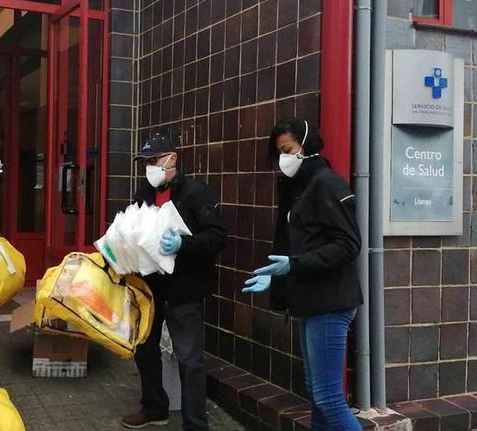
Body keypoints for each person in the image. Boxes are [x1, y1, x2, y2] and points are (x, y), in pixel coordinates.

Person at [242, 119, 362, 431]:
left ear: (306, 146)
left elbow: (349, 244)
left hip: (330, 302)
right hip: (311, 301)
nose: (283, 158)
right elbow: (303, 246)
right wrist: (282, 276)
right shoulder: (301, 188)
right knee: (318, 395)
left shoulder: (326, 183)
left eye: (288, 150)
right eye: (279, 152)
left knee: (329, 399)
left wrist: (293, 265)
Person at [122, 133, 227, 431]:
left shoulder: (196, 193)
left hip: (185, 289)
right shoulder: (142, 194)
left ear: (172, 159)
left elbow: (217, 237)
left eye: (154, 160)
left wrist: (184, 244)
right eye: (145, 162)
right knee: (145, 349)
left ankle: (195, 424)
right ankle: (154, 407)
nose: (149, 167)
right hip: (149, 288)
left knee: (189, 359)